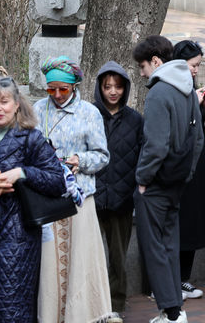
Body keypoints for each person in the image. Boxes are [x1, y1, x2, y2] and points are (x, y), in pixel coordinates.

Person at [0, 76, 68, 322]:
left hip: (17, 236)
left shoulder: (31, 138)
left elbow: (57, 181)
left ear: (17, 104)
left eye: (4, 101)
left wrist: (22, 173)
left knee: (10, 309)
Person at [33, 57, 112, 323]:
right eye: (51, 89)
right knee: (49, 267)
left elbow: (102, 156)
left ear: (75, 86)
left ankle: (82, 316)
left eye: (63, 89)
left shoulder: (90, 112)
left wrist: (81, 160)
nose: (56, 95)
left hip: (79, 200)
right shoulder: (37, 110)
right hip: (47, 199)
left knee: (80, 263)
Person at [132, 36, 204, 323]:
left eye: (142, 66)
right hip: (176, 181)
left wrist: (142, 179)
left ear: (156, 61)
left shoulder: (159, 93)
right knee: (170, 246)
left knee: (155, 249)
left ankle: (171, 313)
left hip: (156, 184)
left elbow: (155, 145)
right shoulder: (188, 89)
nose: (141, 72)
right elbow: (198, 140)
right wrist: (185, 175)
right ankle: (175, 311)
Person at [92, 61, 143, 319]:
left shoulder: (135, 120)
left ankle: (116, 305)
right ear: (99, 87)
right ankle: (92, 303)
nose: (113, 91)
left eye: (118, 86)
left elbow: (142, 157)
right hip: (92, 198)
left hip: (122, 199)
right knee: (91, 255)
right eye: (107, 86)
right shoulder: (89, 115)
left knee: (117, 257)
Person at [172, 41, 205, 300]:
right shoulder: (169, 89)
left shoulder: (191, 90)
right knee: (180, 220)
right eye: (193, 66)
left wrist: (204, 107)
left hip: (197, 164)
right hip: (180, 165)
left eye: (198, 66)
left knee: (194, 220)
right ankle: (171, 281)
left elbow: (203, 123)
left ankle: (184, 278)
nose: (195, 71)